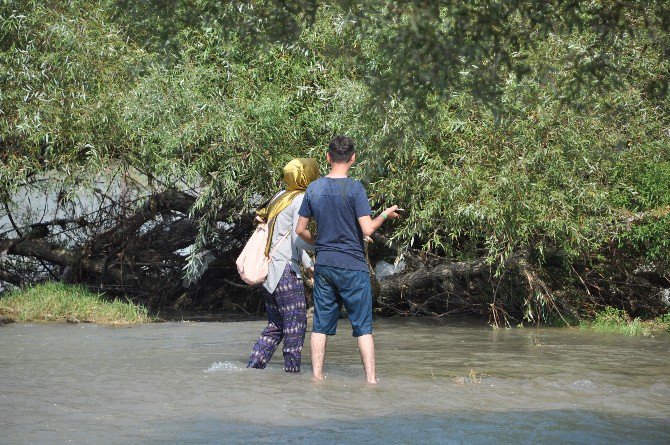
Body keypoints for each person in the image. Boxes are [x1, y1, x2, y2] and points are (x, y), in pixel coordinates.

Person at [296, 136, 400, 384]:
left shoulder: (314, 189)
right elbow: (367, 229)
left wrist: (321, 243)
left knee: (320, 326)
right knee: (363, 327)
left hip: (325, 266)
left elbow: (300, 230)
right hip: (353, 266)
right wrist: (385, 214)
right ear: (353, 158)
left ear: (328, 157)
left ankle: (317, 378)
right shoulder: (355, 188)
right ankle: (371, 381)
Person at [247, 158, 319, 373]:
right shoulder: (299, 199)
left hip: (271, 272)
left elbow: (282, 237)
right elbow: (298, 237)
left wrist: (307, 264)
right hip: (286, 273)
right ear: (306, 175)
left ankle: (252, 369)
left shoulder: (280, 196)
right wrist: (324, 247)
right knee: (295, 327)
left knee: (275, 327)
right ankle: (292, 375)